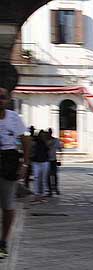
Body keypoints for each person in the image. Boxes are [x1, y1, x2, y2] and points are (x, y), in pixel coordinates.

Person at [0, 62, 31, 259]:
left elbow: (26, 141)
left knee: (8, 204)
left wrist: (24, 164)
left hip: (8, 161)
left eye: (2, 97)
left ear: (8, 99)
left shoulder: (14, 118)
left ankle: (3, 242)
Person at [31, 130, 50, 202]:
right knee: (36, 178)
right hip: (36, 162)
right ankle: (37, 194)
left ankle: (43, 194)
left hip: (44, 161)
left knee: (43, 178)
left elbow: (49, 150)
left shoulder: (46, 142)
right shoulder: (35, 142)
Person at [46, 128, 61, 196]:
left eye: (50, 132)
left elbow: (60, 149)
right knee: (48, 175)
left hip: (53, 159)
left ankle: (55, 188)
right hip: (47, 160)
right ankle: (50, 190)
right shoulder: (45, 141)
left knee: (54, 175)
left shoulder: (55, 140)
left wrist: (60, 159)